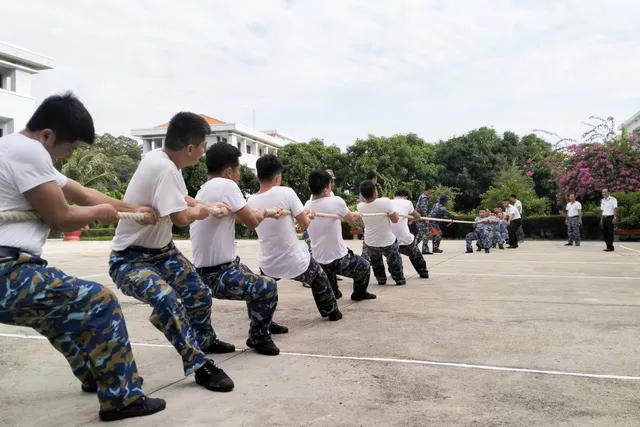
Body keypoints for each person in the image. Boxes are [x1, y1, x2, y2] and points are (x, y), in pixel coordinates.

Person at [0, 91, 166, 421]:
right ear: (47, 135)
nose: (67, 156)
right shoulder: (29, 152)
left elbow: (83, 192)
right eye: (70, 148)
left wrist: (134, 209)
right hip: (9, 273)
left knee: (58, 319)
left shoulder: (14, 149)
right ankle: (123, 399)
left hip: (12, 272)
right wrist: (99, 212)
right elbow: (61, 217)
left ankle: (98, 376)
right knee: (101, 302)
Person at [108, 112, 236, 395]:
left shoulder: (165, 163)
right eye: (203, 146)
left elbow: (182, 199)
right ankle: (199, 364)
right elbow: (180, 216)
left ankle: (205, 338)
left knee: (199, 292)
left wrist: (204, 202)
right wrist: (203, 211)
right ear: (190, 148)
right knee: (168, 300)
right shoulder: (164, 168)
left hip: (162, 253)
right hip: (129, 258)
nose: (204, 152)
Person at [189, 142, 289, 356]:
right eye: (239, 170)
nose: (239, 175)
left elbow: (242, 217)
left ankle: (265, 322)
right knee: (267, 287)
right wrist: (263, 212)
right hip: (217, 274)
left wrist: (267, 212)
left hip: (212, 269)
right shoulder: (227, 186)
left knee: (252, 278)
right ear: (228, 171)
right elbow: (251, 221)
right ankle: (258, 337)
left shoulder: (203, 190)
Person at [247, 155, 342, 321]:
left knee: (261, 287)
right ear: (278, 177)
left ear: (258, 176)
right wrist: (309, 216)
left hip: (268, 262)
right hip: (294, 260)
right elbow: (304, 224)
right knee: (320, 278)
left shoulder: (251, 200)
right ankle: (331, 312)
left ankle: (262, 319)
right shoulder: (287, 192)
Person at [305, 170, 376, 301]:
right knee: (365, 266)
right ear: (326, 189)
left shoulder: (307, 206)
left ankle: (334, 291)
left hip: (318, 260)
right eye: (330, 183)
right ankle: (358, 294)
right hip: (338, 259)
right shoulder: (336, 201)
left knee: (328, 270)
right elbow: (351, 219)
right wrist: (357, 214)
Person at [357, 180, 406, 286]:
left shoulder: (360, 206)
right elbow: (395, 220)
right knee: (394, 259)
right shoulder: (385, 202)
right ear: (375, 192)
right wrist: (394, 214)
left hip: (370, 242)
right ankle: (399, 278)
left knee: (375, 261)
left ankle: (381, 279)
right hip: (387, 241)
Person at [390, 189, 429, 278]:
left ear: (394, 196)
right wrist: (414, 218)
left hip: (389, 240)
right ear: (406, 197)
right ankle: (423, 271)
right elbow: (417, 216)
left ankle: (395, 273)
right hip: (404, 240)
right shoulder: (407, 202)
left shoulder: (388, 203)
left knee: (393, 255)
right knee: (414, 252)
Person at [358, 170, 378, 261]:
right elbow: (374, 201)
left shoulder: (363, 186)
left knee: (367, 234)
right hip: (369, 214)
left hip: (363, 213)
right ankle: (366, 254)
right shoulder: (371, 188)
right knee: (368, 235)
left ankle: (366, 254)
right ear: (374, 179)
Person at [415, 183, 433, 255]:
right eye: (431, 190)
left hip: (419, 218)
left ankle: (413, 247)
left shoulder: (422, 196)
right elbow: (423, 209)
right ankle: (425, 249)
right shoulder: (424, 197)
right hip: (421, 218)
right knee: (425, 234)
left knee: (420, 235)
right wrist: (426, 218)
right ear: (429, 189)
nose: (431, 192)